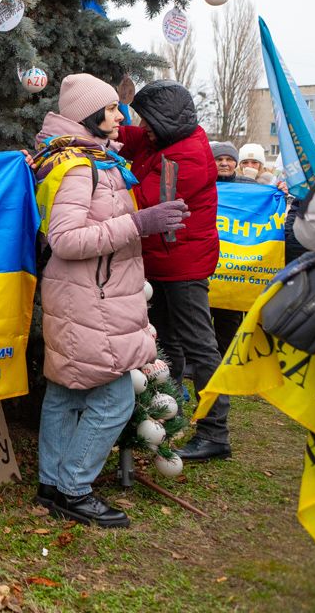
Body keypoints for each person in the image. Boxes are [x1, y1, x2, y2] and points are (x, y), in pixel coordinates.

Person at [31, 73, 183, 528]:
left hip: (83, 294)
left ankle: (51, 485)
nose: (121, 116)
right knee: (115, 398)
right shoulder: (80, 167)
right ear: (88, 116)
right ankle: (74, 488)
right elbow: (67, 239)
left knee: (64, 393)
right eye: (113, 108)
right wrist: (141, 224)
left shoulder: (86, 158)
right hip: (88, 299)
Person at [117, 80, 228, 462]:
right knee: (166, 343)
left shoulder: (185, 158)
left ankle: (216, 432)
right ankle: (172, 414)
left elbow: (141, 202)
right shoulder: (161, 140)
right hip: (162, 262)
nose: (141, 126)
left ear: (164, 120)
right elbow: (124, 134)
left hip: (184, 264)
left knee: (199, 344)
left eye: (148, 119)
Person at [210, 141, 256, 354]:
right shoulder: (203, 183)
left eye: (229, 159)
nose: (224, 163)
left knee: (229, 321)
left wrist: (279, 190)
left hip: (235, 268)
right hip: (210, 263)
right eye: (219, 159)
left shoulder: (250, 187)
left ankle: (227, 362)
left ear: (235, 163)